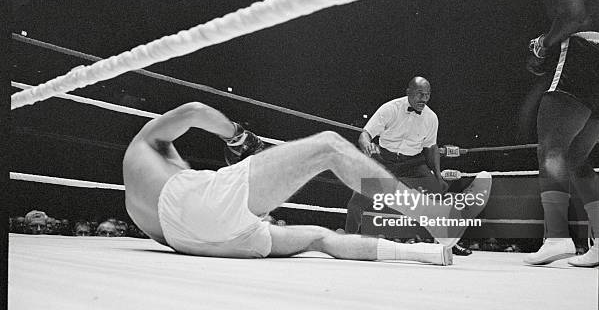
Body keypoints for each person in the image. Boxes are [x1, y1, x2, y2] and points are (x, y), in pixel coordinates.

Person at [122, 102, 492, 265]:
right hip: (199, 208)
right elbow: (194, 112)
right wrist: (238, 138)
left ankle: (432, 254)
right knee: (328, 146)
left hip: (194, 241)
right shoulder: (143, 141)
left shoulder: (137, 192)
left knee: (318, 237)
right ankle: (434, 216)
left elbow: (181, 225)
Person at [510, 0, 599, 267]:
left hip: (580, 53)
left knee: (549, 148)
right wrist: (548, 41)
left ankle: (557, 237)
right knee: (577, 157)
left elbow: (574, 18)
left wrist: (543, 45)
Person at [345, 77, 471, 256]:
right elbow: (365, 134)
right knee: (357, 201)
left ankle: (450, 244)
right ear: (408, 92)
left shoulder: (431, 118)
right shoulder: (390, 109)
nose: (424, 99)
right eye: (420, 94)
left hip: (412, 163)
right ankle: (347, 242)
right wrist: (366, 144)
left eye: (428, 95)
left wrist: (437, 176)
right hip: (384, 160)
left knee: (438, 195)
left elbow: (431, 148)